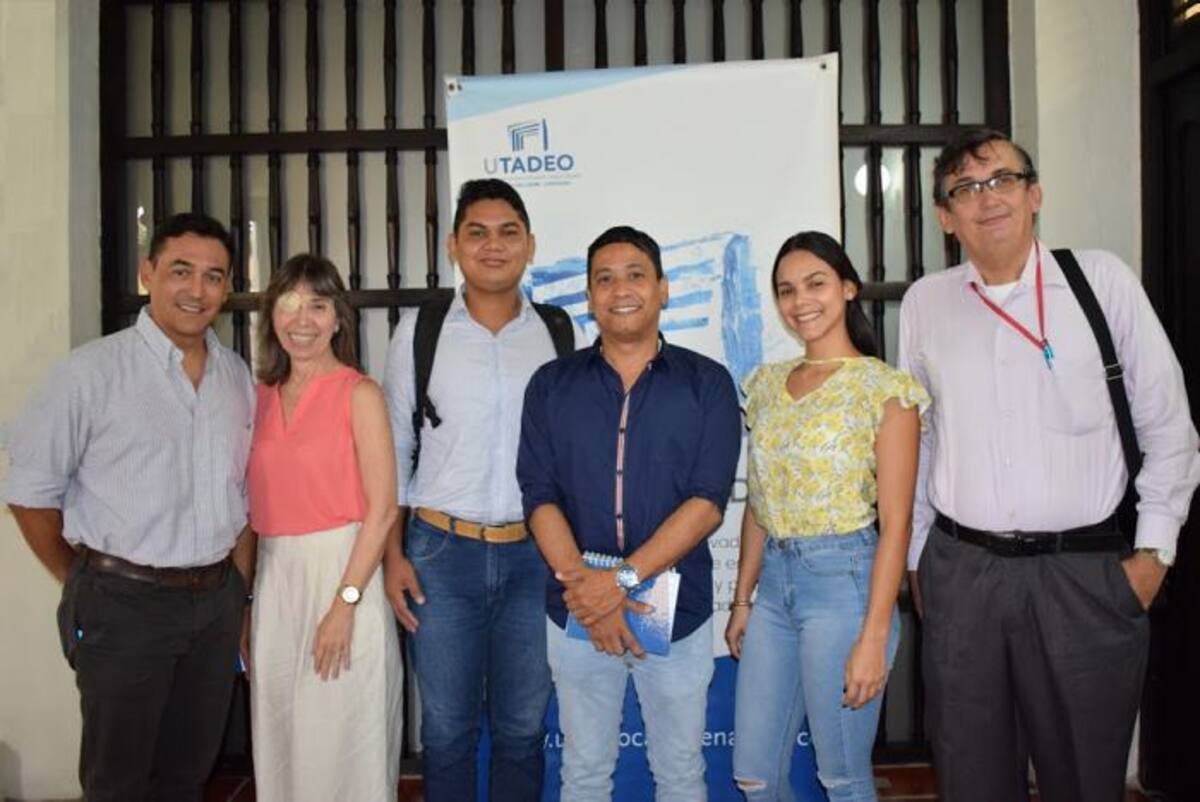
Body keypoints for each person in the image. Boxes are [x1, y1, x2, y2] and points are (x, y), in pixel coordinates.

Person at [899, 129, 1200, 802]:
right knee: (970, 774)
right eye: (965, 190)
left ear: (1034, 194)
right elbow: (922, 439)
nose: (987, 199)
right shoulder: (926, 303)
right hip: (962, 573)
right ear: (946, 219)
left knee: (1085, 777)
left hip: (1083, 576)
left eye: (1003, 180)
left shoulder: (1101, 281)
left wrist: (1154, 553)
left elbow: (1169, 427)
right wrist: (920, 557)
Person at [2, 213, 254, 802]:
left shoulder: (235, 377)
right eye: (181, 271)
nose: (197, 290)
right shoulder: (90, 373)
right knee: (117, 780)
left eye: (214, 276)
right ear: (148, 274)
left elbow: (243, 499)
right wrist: (83, 578)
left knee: (187, 774)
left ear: (228, 288)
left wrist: (237, 593)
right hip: (124, 605)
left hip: (215, 604)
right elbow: (29, 494)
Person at [518, 225, 742, 802]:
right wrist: (586, 595)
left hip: (675, 608)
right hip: (576, 611)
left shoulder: (708, 384)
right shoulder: (551, 385)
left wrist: (616, 584)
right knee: (585, 773)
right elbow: (538, 495)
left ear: (663, 289)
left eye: (636, 274)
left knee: (680, 774)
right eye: (605, 278)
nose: (621, 289)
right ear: (589, 296)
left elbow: (708, 502)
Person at [382, 178, 577, 802]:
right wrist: (391, 556)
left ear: (531, 245)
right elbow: (393, 454)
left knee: (523, 727)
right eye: (478, 232)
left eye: (508, 232)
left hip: (533, 558)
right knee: (446, 729)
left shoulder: (557, 331)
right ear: (452, 246)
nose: (493, 246)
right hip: (441, 555)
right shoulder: (420, 331)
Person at [725, 232, 926, 802]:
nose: (800, 301)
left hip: (846, 584)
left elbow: (898, 521)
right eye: (786, 290)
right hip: (775, 592)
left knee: (841, 777)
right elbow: (759, 505)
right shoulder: (764, 386)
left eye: (815, 283)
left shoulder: (885, 390)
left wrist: (875, 634)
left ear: (847, 287)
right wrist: (743, 599)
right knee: (754, 776)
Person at [244, 253, 402, 801]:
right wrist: (245, 602)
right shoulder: (258, 395)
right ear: (272, 317)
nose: (302, 319)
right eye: (288, 304)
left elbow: (382, 509)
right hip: (274, 580)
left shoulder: (360, 393)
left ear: (338, 318)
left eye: (317, 304)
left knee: (342, 738)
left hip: (342, 573)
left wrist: (346, 601)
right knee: (281, 732)